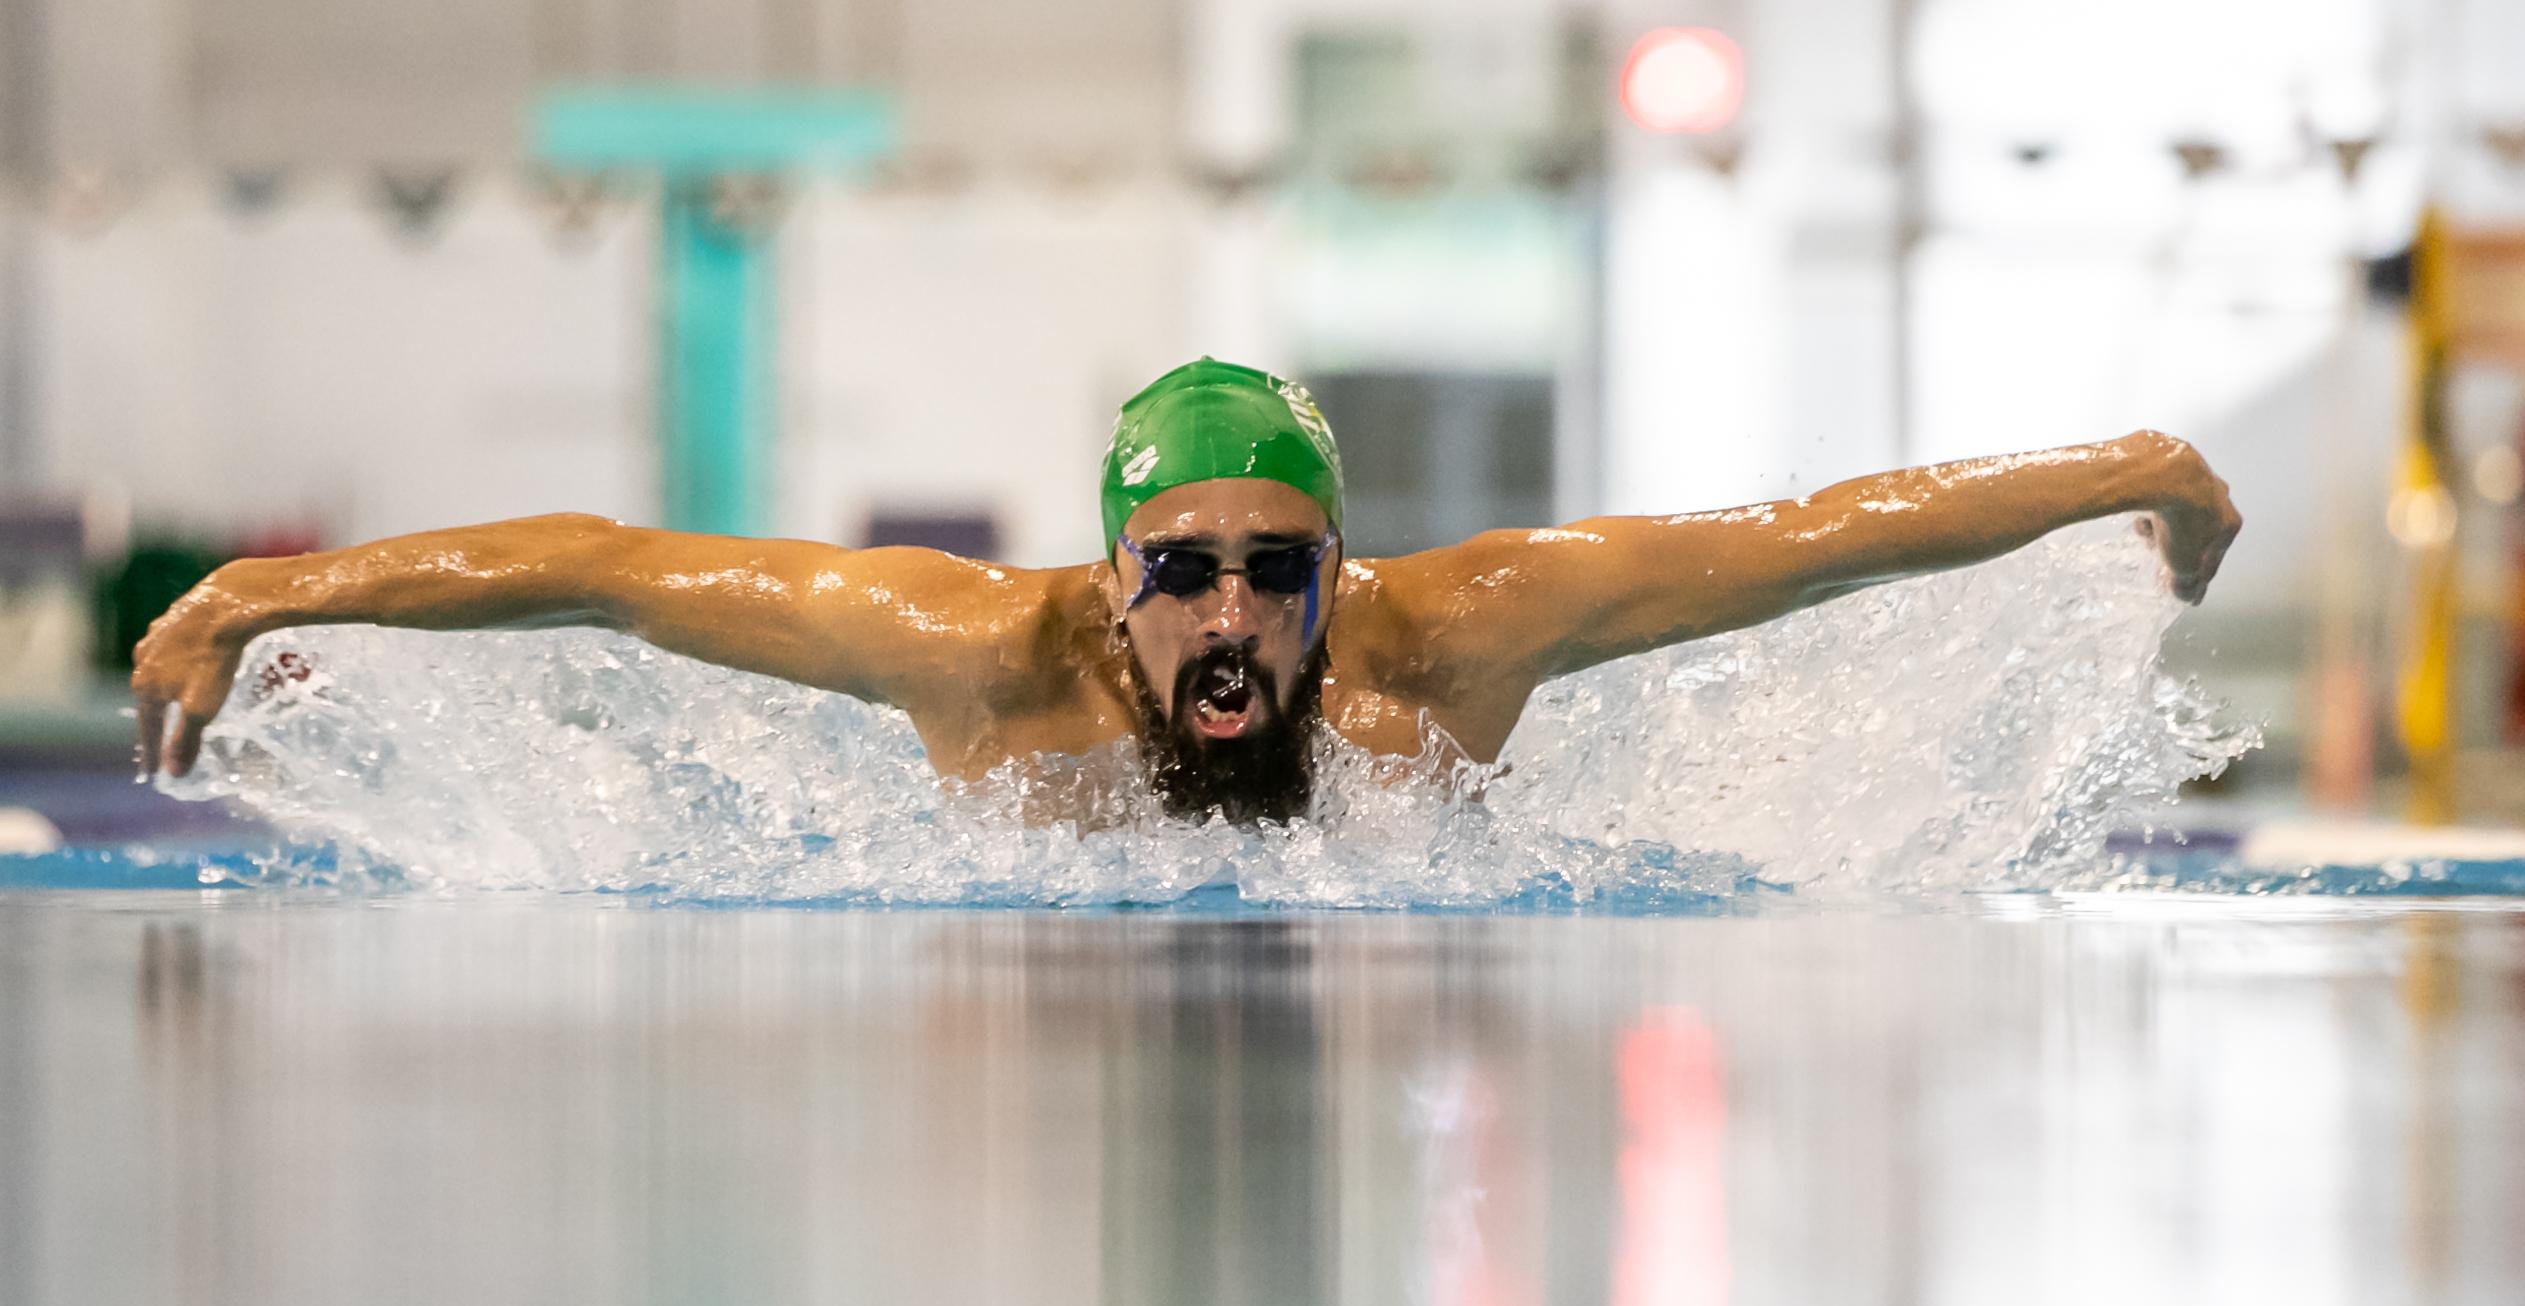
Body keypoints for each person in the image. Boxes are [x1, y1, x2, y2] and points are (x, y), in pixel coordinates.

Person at [133, 358, 2241, 825]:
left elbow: (1813, 538)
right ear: (1112, 571)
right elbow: (607, 571)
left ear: (1339, 569)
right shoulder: (972, 653)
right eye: (1185, 571)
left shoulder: (1462, 631)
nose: (1232, 617)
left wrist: (2121, 470)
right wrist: (258, 586)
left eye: (1277, 569)